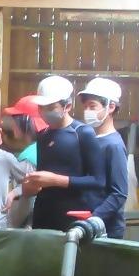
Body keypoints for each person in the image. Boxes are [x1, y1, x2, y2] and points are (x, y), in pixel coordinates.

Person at [22, 75, 105, 232]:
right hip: (43, 215)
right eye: (41, 108)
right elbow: (42, 178)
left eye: (50, 108)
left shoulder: (82, 133)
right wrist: (30, 185)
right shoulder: (43, 135)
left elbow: (98, 181)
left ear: (67, 106)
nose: (44, 112)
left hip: (72, 216)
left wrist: (57, 180)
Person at [78, 77, 128, 239]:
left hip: (106, 229)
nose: (87, 112)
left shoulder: (114, 145)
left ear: (111, 107)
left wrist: (94, 218)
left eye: (92, 106)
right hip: (86, 225)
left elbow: (119, 193)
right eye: (85, 107)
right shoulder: (89, 140)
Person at [3, 95, 48, 228]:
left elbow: (25, 201)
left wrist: (10, 225)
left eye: (15, 119)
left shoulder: (29, 157)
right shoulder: (49, 146)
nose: (12, 124)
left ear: (26, 121)